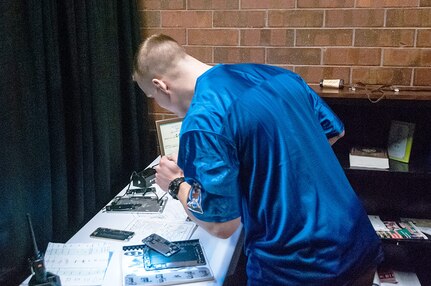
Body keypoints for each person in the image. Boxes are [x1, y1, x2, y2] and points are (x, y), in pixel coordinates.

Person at [133, 34, 383, 286]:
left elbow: (222, 224)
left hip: (296, 265)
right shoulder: (279, 76)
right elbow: (333, 132)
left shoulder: (203, 119)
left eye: (153, 98)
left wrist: (176, 183)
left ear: (161, 86)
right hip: (357, 243)